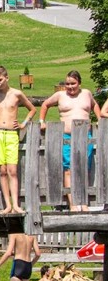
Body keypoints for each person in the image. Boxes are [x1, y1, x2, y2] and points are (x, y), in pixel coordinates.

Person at [40, 71, 101, 210]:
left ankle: (83, 202)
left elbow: (95, 105)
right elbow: (45, 105)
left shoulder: (86, 93)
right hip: (67, 137)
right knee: (68, 169)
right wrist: (41, 121)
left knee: (83, 168)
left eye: (73, 83)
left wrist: (99, 119)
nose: (70, 87)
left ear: (79, 83)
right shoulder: (60, 95)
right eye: (67, 84)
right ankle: (72, 203)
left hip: (85, 136)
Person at [0, 65, 36, 214]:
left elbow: (32, 109)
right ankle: (7, 205)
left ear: (7, 78)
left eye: (0, 80)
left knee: (12, 171)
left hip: (11, 133)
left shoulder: (17, 94)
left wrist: (23, 124)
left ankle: (16, 204)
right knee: (2, 170)